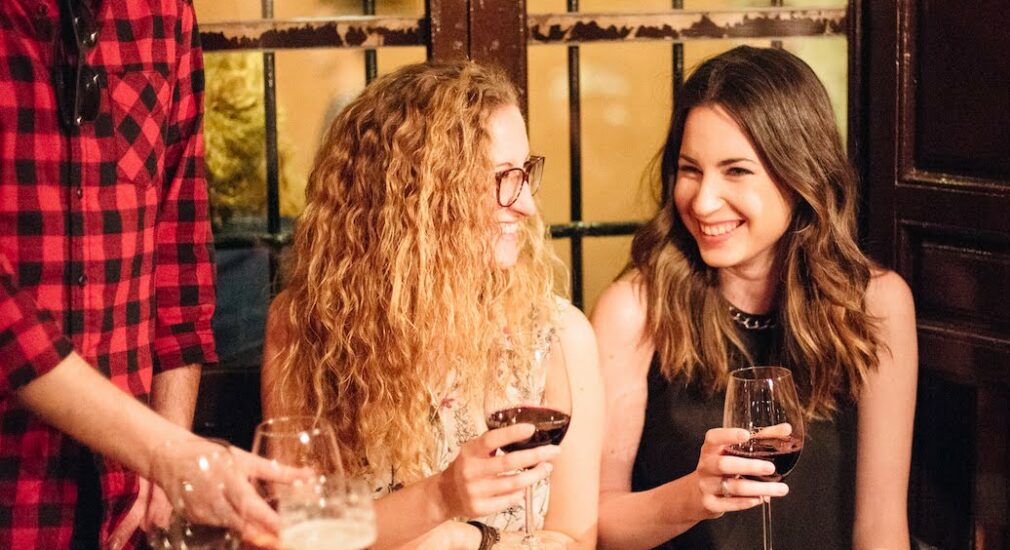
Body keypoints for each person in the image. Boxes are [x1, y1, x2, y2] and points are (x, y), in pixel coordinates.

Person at [262, 61, 604, 549]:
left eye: (525, 173)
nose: (527, 203)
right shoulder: (308, 327)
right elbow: (301, 535)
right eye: (501, 177)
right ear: (416, 197)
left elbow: (574, 539)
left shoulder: (558, 336)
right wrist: (440, 499)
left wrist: (466, 540)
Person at [591, 45, 918, 549]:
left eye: (736, 171)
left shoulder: (876, 303)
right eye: (690, 169)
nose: (702, 201)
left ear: (800, 174)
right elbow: (595, 524)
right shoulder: (635, 310)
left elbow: (880, 529)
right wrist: (695, 495)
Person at [0, 2, 292, 548]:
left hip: (122, 504)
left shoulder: (164, 14)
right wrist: (161, 450)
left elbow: (178, 251)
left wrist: (165, 458)